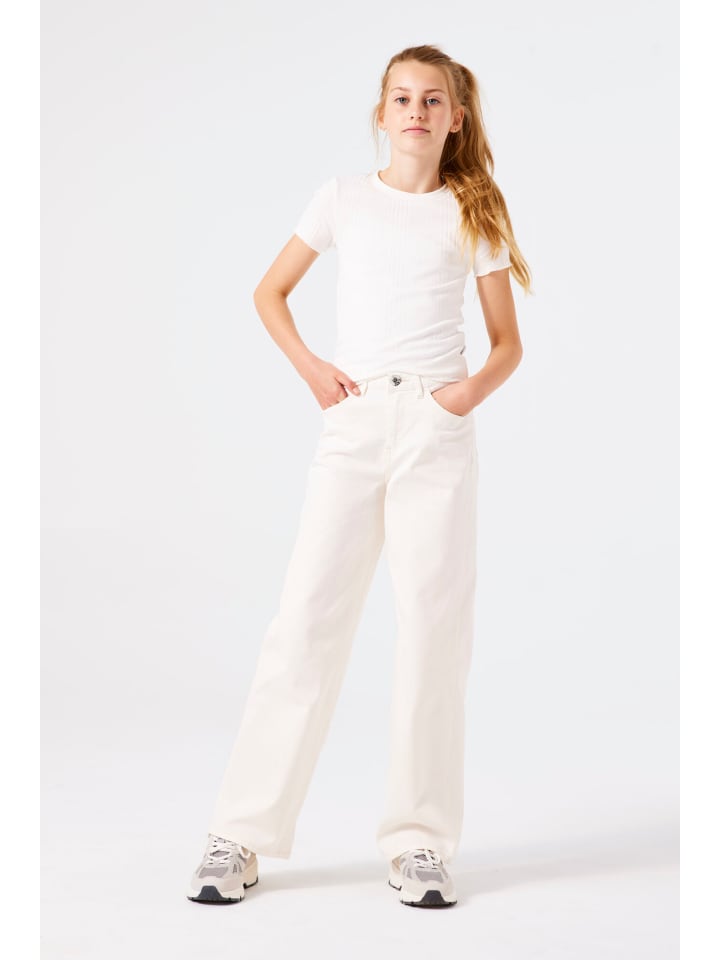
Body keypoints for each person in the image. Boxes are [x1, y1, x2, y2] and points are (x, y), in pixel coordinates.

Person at [187, 43, 532, 910]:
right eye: (401, 98)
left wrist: (457, 400)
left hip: (434, 433)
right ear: (381, 114)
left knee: (433, 634)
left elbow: (507, 345)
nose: (416, 111)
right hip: (354, 423)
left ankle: (420, 842)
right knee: (305, 621)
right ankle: (241, 832)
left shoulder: (473, 209)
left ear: (457, 118)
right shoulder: (342, 198)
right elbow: (270, 293)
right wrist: (313, 371)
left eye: (433, 99)